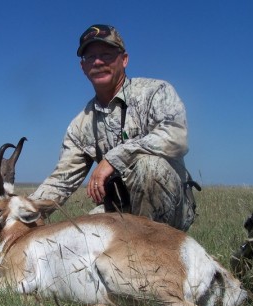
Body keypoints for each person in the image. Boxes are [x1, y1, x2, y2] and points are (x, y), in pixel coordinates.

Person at [30, 24, 199, 231]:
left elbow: (176, 137)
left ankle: (154, 254)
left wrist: (114, 158)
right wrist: (19, 209)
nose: (98, 62)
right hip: (119, 210)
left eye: (106, 55)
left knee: (149, 166)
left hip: (171, 212)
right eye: (90, 57)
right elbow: (61, 182)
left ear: (124, 59)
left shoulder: (156, 92)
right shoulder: (80, 125)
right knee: (73, 237)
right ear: (83, 67)